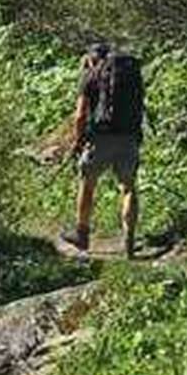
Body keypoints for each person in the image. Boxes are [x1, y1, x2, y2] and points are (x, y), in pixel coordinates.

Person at [59, 43, 144, 257]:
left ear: (91, 58)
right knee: (128, 187)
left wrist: (77, 142)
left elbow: (80, 115)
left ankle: (82, 234)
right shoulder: (128, 74)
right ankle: (129, 238)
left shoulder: (91, 76)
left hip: (101, 138)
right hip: (129, 136)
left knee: (87, 184)